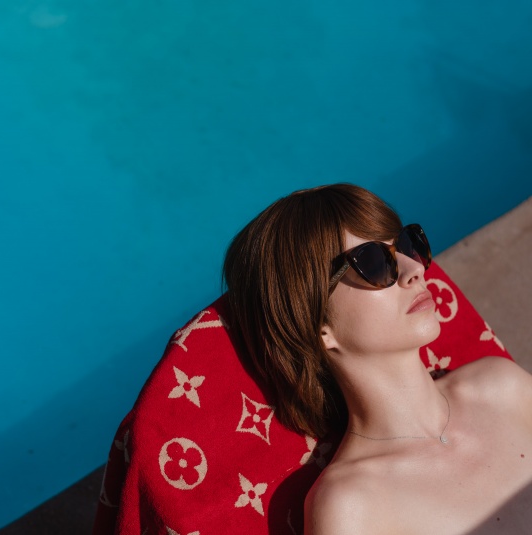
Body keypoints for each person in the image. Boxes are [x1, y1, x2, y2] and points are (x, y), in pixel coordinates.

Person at [222, 183, 532, 533]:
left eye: (407, 246)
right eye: (373, 261)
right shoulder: (351, 508)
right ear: (319, 327)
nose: (414, 270)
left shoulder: (501, 388)